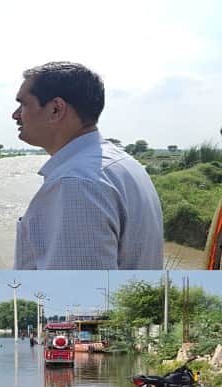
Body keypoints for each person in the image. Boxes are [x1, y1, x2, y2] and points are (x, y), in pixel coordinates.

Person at [12, 61, 163, 270]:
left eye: (24, 104)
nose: (16, 115)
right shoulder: (123, 164)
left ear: (56, 109)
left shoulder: (76, 182)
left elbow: (75, 293)